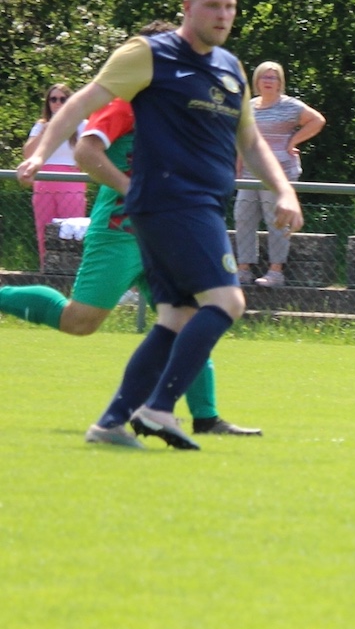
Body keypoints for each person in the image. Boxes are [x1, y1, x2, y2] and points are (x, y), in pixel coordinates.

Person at [17, 0, 302, 450]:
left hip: (198, 205)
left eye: (230, 7)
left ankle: (111, 423)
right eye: (212, 5)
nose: (223, 15)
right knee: (227, 302)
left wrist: (284, 191)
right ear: (188, 8)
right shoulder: (150, 53)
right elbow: (82, 103)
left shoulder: (231, 68)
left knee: (177, 317)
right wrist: (41, 152)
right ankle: (158, 409)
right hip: (171, 202)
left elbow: (251, 142)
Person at [0, 23, 259, 435]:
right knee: (80, 321)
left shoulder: (179, 103)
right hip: (119, 231)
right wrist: (134, 190)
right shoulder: (124, 102)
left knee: (190, 318)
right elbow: (87, 151)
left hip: (166, 233)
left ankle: (206, 417)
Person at [235, 61, 325, 287]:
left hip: (280, 173)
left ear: (280, 82)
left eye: (272, 77)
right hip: (249, 173)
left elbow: (317, 120)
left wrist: (293, 141)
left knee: (276, 219)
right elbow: (242, 140)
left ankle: (276, 272)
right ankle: (243, 270)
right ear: (256, 81)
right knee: (242, 217)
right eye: (263, 77)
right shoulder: (249, 106)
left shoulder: (290, 106)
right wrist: (238, 168)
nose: (268, 81)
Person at [22, 83, 87, 267]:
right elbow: (28, 153)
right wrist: (46, 131)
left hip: (72, 181)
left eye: (62, 99)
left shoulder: (81, 124)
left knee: (72, 228)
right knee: (44, 230)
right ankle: (46, 270)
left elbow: (90, 152)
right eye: (53, 99)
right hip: (44, 180)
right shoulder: (41, 125)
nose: (57, 103)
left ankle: (73, 272)